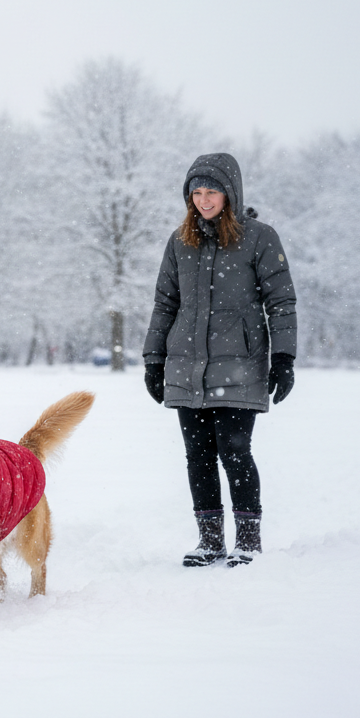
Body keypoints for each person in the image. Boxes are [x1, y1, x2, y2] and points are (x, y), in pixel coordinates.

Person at [142, 152, 297, 567]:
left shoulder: (259, 238)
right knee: (198, 454)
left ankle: (247, 540)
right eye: (196, 192)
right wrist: (153, 360)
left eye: (212, 191)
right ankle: (210, 540)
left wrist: (283, 357)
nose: (204, 200)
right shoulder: (180, 242)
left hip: (239, 365)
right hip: (187, 365)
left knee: (234, 449)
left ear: (230, 193)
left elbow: (281, 302)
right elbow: (164, 304)